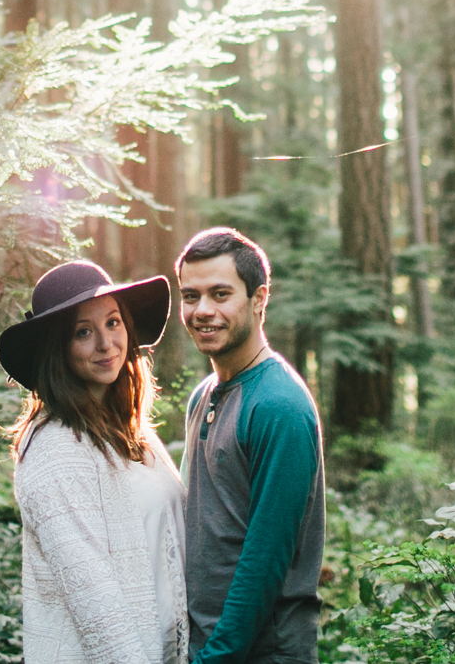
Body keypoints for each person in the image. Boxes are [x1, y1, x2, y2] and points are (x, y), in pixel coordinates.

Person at [0, 259, 187, 664]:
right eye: (83, 332)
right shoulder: (55, 453)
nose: (106, 344)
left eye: (113, 323)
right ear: (58, 348)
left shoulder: (132, 431)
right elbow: (96, 605)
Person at [174, 228, 325, 664]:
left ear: (259, 299)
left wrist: (217, 656)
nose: (203, 311)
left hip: (263, 651)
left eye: (221, 294)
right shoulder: (202, 395)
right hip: (205, 643)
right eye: (190, 296)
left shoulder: (280, 405)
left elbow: (266, 559)